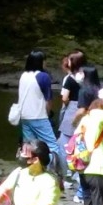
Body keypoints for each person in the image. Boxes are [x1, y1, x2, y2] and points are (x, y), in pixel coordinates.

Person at [15, 50, 64, 186]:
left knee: (28, 146)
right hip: (39, 116)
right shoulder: (43, 76)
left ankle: (28, 174)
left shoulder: (24, 76)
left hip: (25, 116)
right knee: (53, 146)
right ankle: (55, 176)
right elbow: (48, 99)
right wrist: (48, 114)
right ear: (41, 62)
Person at [57, 66, 100, 201]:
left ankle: (80, 189)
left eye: (82, 73)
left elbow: (81, 111)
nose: (79, 75)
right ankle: (89, 188)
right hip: (98, 125)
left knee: (76, 153)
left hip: (85, 126)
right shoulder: (99, 90)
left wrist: (74, 122)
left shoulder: (83, 91)